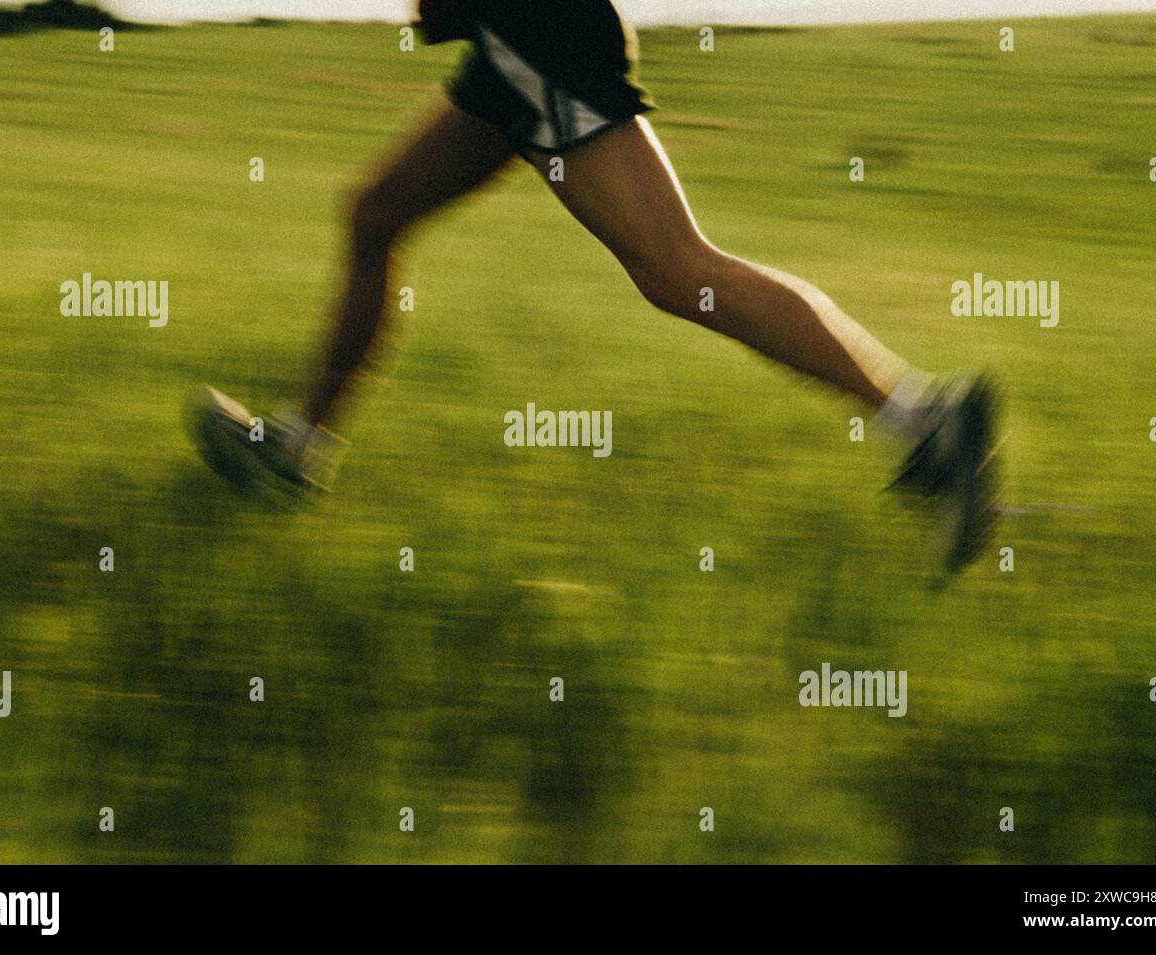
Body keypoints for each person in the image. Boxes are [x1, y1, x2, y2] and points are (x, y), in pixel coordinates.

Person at [193, 0, 1001, 571]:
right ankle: (298, 449)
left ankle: (923, 418)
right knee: (376, 215)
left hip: (539, 33)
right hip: (511, 43)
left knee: (678, 270)